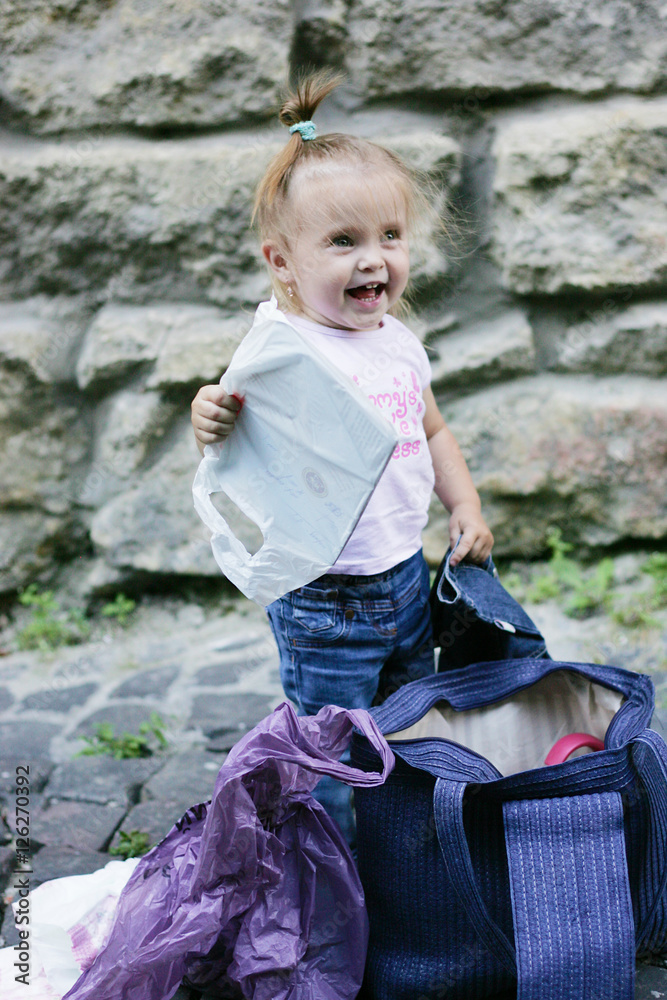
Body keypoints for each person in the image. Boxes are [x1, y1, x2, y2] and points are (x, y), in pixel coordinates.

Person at [190, 71, 493, 846]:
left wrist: (464, 506)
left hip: (402, 579)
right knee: (325, 761)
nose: (373, 261)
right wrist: (210, 415)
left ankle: (405, 873)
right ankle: (328, 894)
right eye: (342, 242)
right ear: (283, 262)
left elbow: (431, 431)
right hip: (324, 599)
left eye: (389, 237)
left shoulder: (397, 346)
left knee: (405, 727)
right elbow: (229, 429)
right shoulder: (284, 353)